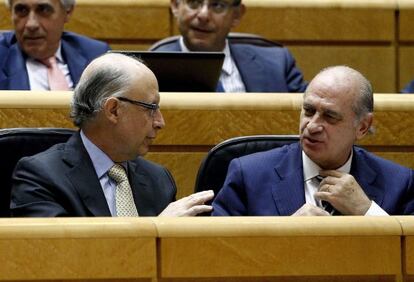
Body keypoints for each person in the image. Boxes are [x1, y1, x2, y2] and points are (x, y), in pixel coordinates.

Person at [10, 53, 214, 217]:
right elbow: (61, 261)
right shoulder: (41, 177)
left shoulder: (158, 180)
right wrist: (157, 231)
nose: (160, 122)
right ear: (113, 110)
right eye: (151, 108)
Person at [212, 65, 414, 216]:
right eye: (308, 111)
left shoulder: (399, 183)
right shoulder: (248, 176)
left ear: (362, 127)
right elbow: (217, 255)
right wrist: (285, 236)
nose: (312, 126)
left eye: (330, 116)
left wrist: (368, 212)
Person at [151, 0, 307, 93]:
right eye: (194, 2)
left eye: (218, 5)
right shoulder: (152, 70)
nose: (203, 15)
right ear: (176, 5)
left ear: (237, 15)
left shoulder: (278, 63)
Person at [0, 0, 110, 90]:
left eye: (44, 10)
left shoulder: (96, 56)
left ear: (67, 12)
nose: (31, 24)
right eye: (22, 10)